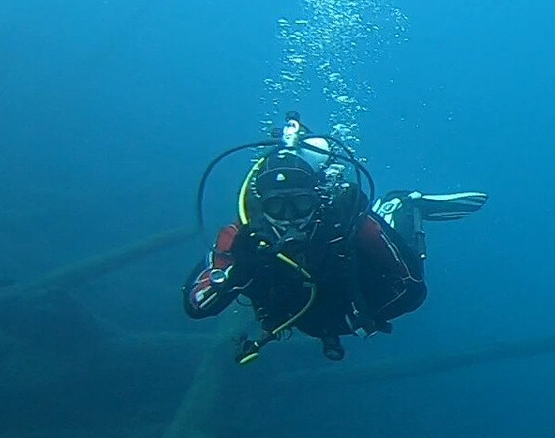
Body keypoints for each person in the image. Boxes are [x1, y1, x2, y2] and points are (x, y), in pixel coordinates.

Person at [183, 113, 487, 364]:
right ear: (261, 205)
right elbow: (196, 306)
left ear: (317, 199)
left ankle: (402, 204)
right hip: (308, 316)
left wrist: (353, 320)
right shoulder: (240, 237)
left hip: (346, 311)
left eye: (299, 204)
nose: (289, 217)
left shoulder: (345, 221)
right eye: (277, 206)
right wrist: (238, 271)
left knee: (399, 241)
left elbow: (412, 288)